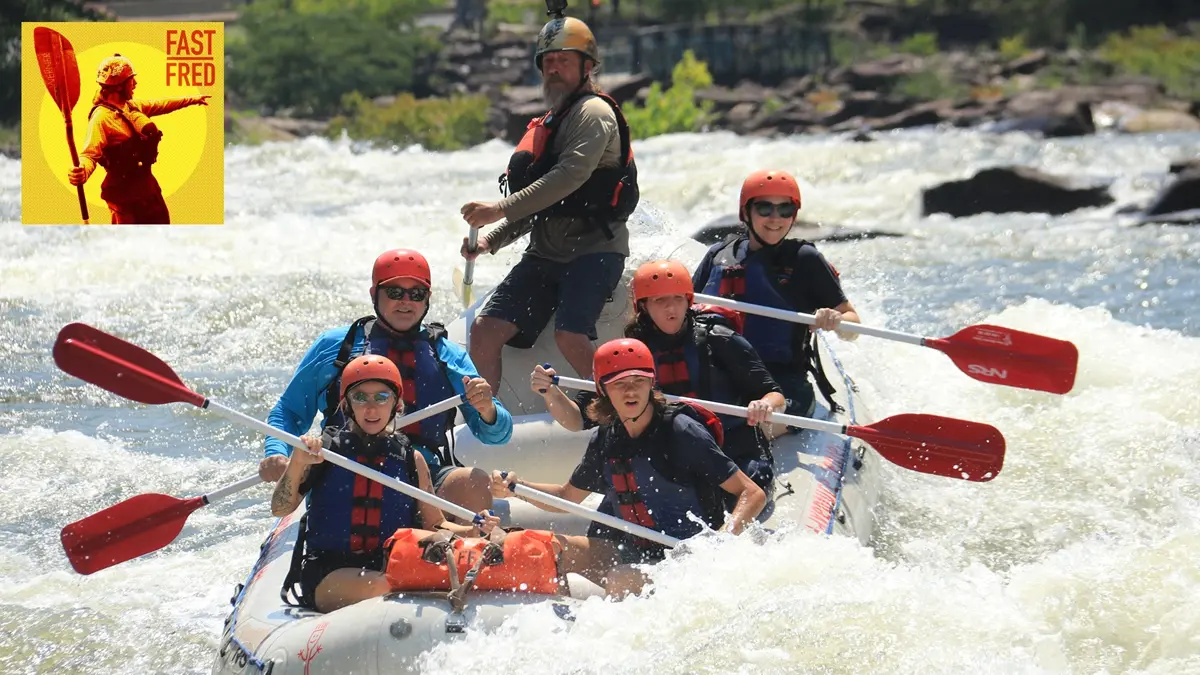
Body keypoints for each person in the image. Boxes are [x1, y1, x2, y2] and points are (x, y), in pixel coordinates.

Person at [492, 338, 766, 598]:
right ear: (603, 390)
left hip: (687, 558)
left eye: (638, 381)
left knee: (620, 578)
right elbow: (566, 498)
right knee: (550, 549)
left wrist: (716, 546)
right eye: (619, 384)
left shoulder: (681, 431)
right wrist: (518, 488)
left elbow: (752, 493)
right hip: (633, 550)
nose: (631, 391)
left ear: (651, 383)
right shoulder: (606, 438)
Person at [459, 13, 638, 393]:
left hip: (594, 251)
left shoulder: (594, 114)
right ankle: (487, 423)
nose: (554, 69)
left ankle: (620, 415)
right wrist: (494, 239)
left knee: (570, 335)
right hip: (546, 254)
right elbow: (545, 201)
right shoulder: (553, 119)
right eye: (548, 62)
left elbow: (570, 177)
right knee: (484, 330)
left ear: (586, 67)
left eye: (564, 61)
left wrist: (499, 209)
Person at [260, 249, 511, 517]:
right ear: (373, 295)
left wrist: (488, 410)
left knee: (473, 483)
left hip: (424, 475)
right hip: (348, 468)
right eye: (394, 292)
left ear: (427, 299)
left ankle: (464, 552)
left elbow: (497, 434)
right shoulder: (334, 346)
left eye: (416, 294)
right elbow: (289, 411)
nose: (406, 301)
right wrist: (277, 452)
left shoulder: (447, 353)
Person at [532, 260, 786, 516]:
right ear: (643, 306)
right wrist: (550, 392)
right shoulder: (630, 353)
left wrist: (765, 403)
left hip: (732, 448)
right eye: (659, 300)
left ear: (689, 301)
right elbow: (577, 419)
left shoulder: (720, 340)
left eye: (677, 298)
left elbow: (774, 394)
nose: (671, 308)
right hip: (674, 453)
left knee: (750, 499)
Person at [271, 355, 501, 613]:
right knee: (384, 584)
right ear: (346, 405)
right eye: (360, 397)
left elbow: (435, 524)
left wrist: (474, 529)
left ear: (396, 404)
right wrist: (297, 463)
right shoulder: (324, 452)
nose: (371, 408)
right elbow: (280, 509)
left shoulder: (410, 459)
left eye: (381, 397)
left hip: (396, 563)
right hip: (331, 572)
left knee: (457, 573)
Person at [692, 169, 861, 421]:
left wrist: (835, 321)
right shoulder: (718, 254)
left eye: (785, 210)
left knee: (744, 430)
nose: (775, 218)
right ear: (745, 212)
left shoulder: (805, 259)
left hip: (782, 382)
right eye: (764, 208)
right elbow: (686, 308)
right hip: (721, 374)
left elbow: (853, 325)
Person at [67, 53, 211, 224]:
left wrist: (192, 99)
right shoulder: (101, 118)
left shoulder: (132, 106)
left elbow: (161, 104)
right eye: (131, 80)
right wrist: (81, 171)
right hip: (122, 196)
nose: (135, 84)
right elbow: (90, 154)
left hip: (147, 188)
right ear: (119, 86)